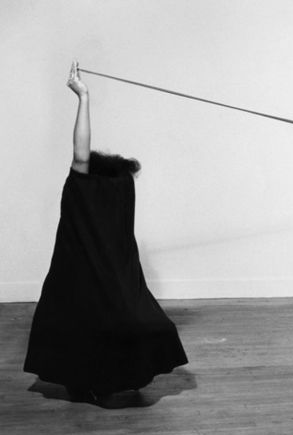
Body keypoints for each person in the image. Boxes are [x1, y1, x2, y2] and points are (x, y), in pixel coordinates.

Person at [23, 61, 188, 402]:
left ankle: (87, 381)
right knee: (102, 323)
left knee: (78, 323)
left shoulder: (84, 194)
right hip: (102, 287)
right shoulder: (120, 197)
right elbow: (83, 156)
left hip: (77, 284)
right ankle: (99, 381)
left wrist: (82, 97)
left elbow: (80, 154)